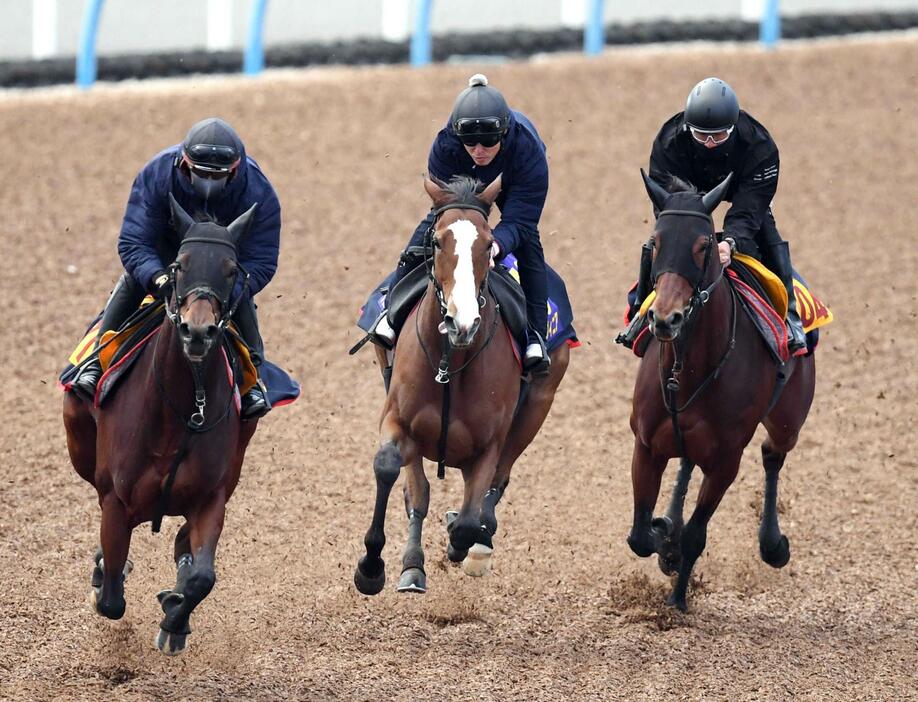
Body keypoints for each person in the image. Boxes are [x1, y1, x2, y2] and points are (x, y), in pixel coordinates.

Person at [72, 117, 282, 419]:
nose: (208, 182)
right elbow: (134, 242)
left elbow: (261, 259)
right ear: (184, 163)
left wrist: (230, 291)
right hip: (165, 260)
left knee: (243, 300)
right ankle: (94, 362)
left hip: (220, 272)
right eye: (200, 173)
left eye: (218, 176)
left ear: (235, 169)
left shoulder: (259, 192)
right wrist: (158, 278)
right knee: (131, 281)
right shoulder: (157, 174)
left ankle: (253, 384)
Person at [367, 73, 552, 374]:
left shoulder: (527, 150)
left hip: (515, 180)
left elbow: (519, 221)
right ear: (458, 136)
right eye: (470, 142)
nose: (479, 150)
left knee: (529, 246)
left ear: (504, 134)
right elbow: (445, 210)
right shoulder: (445, 146)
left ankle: (535, 339)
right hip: (459, 192)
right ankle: (391, 313)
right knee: (427, 238)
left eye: (489, 141)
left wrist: (497, 246)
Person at [619, 77, 807, 353]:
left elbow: (748, 211)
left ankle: (791, 317)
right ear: (687, 127)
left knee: (766, 232)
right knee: (661, 241)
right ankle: (640, 311)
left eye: (717, 136)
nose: (708, 143)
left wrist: (730, 243)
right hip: (684, 191)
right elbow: (667, 207)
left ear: (733, 127)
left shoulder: (760, 147)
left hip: (743, 187)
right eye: (701, 135)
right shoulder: (669, 142)